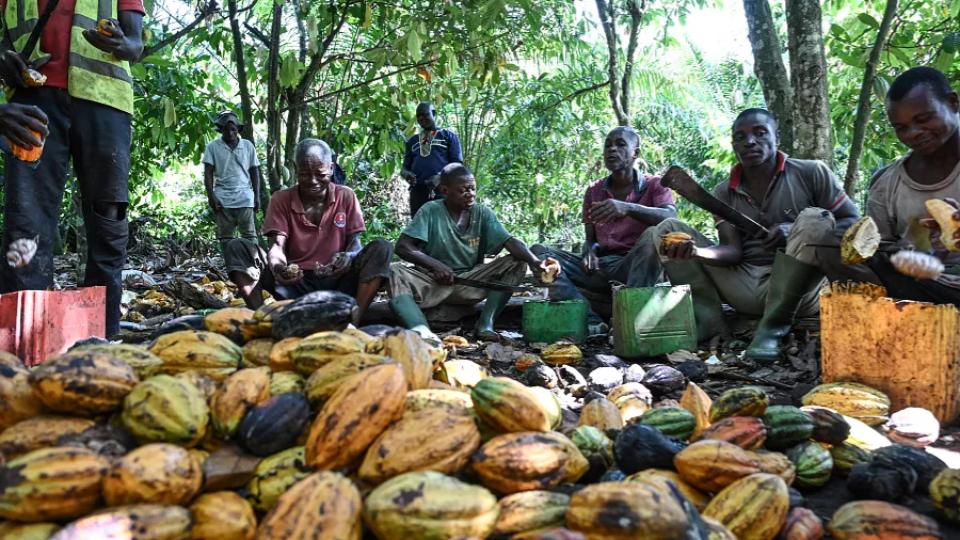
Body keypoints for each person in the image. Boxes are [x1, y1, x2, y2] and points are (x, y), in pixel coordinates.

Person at [654, 108, 872, 360]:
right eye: (740, 137)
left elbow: (853, 222)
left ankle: (772, 328)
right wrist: (696, 252)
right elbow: (732, 251)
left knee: (815, 218)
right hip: (746, 285)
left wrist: (795, 229)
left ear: (777, 138)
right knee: (666, 229)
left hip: (801, 291)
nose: (749, 142)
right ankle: (709, 320)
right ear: (734, 146)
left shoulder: (811, 172)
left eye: (760, 133)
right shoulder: (724, 191)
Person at [0, 0, 144, 338]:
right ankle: (23, 343)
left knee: (108, 219)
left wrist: (118, 42)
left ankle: (102, 337)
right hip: (31, 101)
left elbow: (135, 45)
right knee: (26, 219)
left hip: (105, 102)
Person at [223, 139, 391, 323]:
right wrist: (280, 269)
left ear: (331, 168)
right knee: (237, 247)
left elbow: (355, 243)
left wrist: (348, 256)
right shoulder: (281, 199)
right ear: (295, 169)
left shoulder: (346, 196)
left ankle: (354, 319)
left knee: (382, 248)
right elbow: (277, 246)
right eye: (304, 174)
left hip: (338, 280)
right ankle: (262, 319)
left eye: (320, 174)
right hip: (295, 285)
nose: (312, 181)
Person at [531, 126, 677, 335]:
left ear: (635, 153)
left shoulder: (655, 185)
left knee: (654, 234)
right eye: (608, 145)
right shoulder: (594, 191)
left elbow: (670, 218)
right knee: (538, 253)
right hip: (601, 269)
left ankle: (626, 320)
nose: (612, 149)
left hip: (635, 267)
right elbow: (591, 240)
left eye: (620, 144)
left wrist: (627, 207)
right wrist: (590, 252)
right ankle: (590, 319)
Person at [390, 162, 553, 342]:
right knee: (394, 271)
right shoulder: (430, 210)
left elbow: (510, 241)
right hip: (432, 282)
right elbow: (403, 246)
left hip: (469, 282)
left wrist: (535, 262)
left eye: (473, 189)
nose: (470, 194)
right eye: (463, 190)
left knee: (517, 262)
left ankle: (485, 324)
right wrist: (435, 265)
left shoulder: (482, 213)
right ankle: (422, 330)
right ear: (445, 191)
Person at [866, 66, 960, 306]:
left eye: (924, 119)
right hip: (918, 291)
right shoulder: (886, 184)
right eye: (901, 127)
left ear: (953, 103)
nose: (913, 133)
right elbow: (879, 253)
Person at [202, 110, 260, 254]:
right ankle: (230, 265)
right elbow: (208, 173)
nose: (230, 133)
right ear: (221, 129)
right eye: (226, 129)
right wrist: (211, 196)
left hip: (245, 198)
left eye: (233, 129)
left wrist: (257, 195)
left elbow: (254, 171)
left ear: (238, 129)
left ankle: (253, 263)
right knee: (225, 238)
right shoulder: (212, 147)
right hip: (223, 199)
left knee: (250, 237)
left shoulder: (247, 146)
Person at [401, 102, 463, 216]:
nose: (421, 118)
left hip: (443, 191)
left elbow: (457, 164)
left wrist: (440, 177)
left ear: (433, 113)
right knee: (419, 225)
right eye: (418, 116)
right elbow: (404, 168)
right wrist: (407, 175)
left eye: (425, 114)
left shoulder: (448, 136)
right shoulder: (412, 141)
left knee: (442, 224)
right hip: (418, 193)